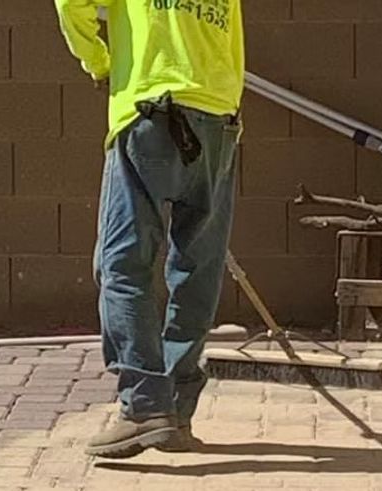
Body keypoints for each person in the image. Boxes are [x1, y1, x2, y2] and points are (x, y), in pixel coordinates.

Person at [54, 0, 244, 458]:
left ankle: (143, 407)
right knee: (197, 269)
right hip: (218, 118)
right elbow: (232, 40)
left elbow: (70, 3)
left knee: (122, 265)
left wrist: (98, 63)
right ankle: (175, 410)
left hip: (151, 112)